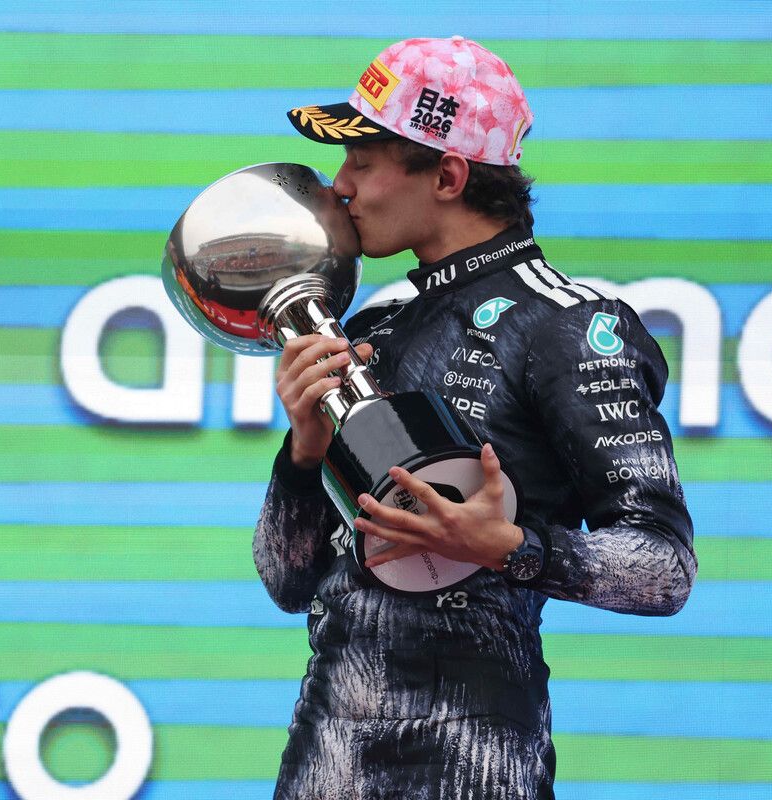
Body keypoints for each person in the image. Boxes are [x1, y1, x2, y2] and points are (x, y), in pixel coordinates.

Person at [253, 37, 696, 799]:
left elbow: (665, 570)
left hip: (478, 768)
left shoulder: (568, 327)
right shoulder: (376, 325)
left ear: (448, 175)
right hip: (323, 764)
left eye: (363, 160)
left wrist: (510, 548)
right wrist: (302, 455)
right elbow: (287, 581)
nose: (341, 186)